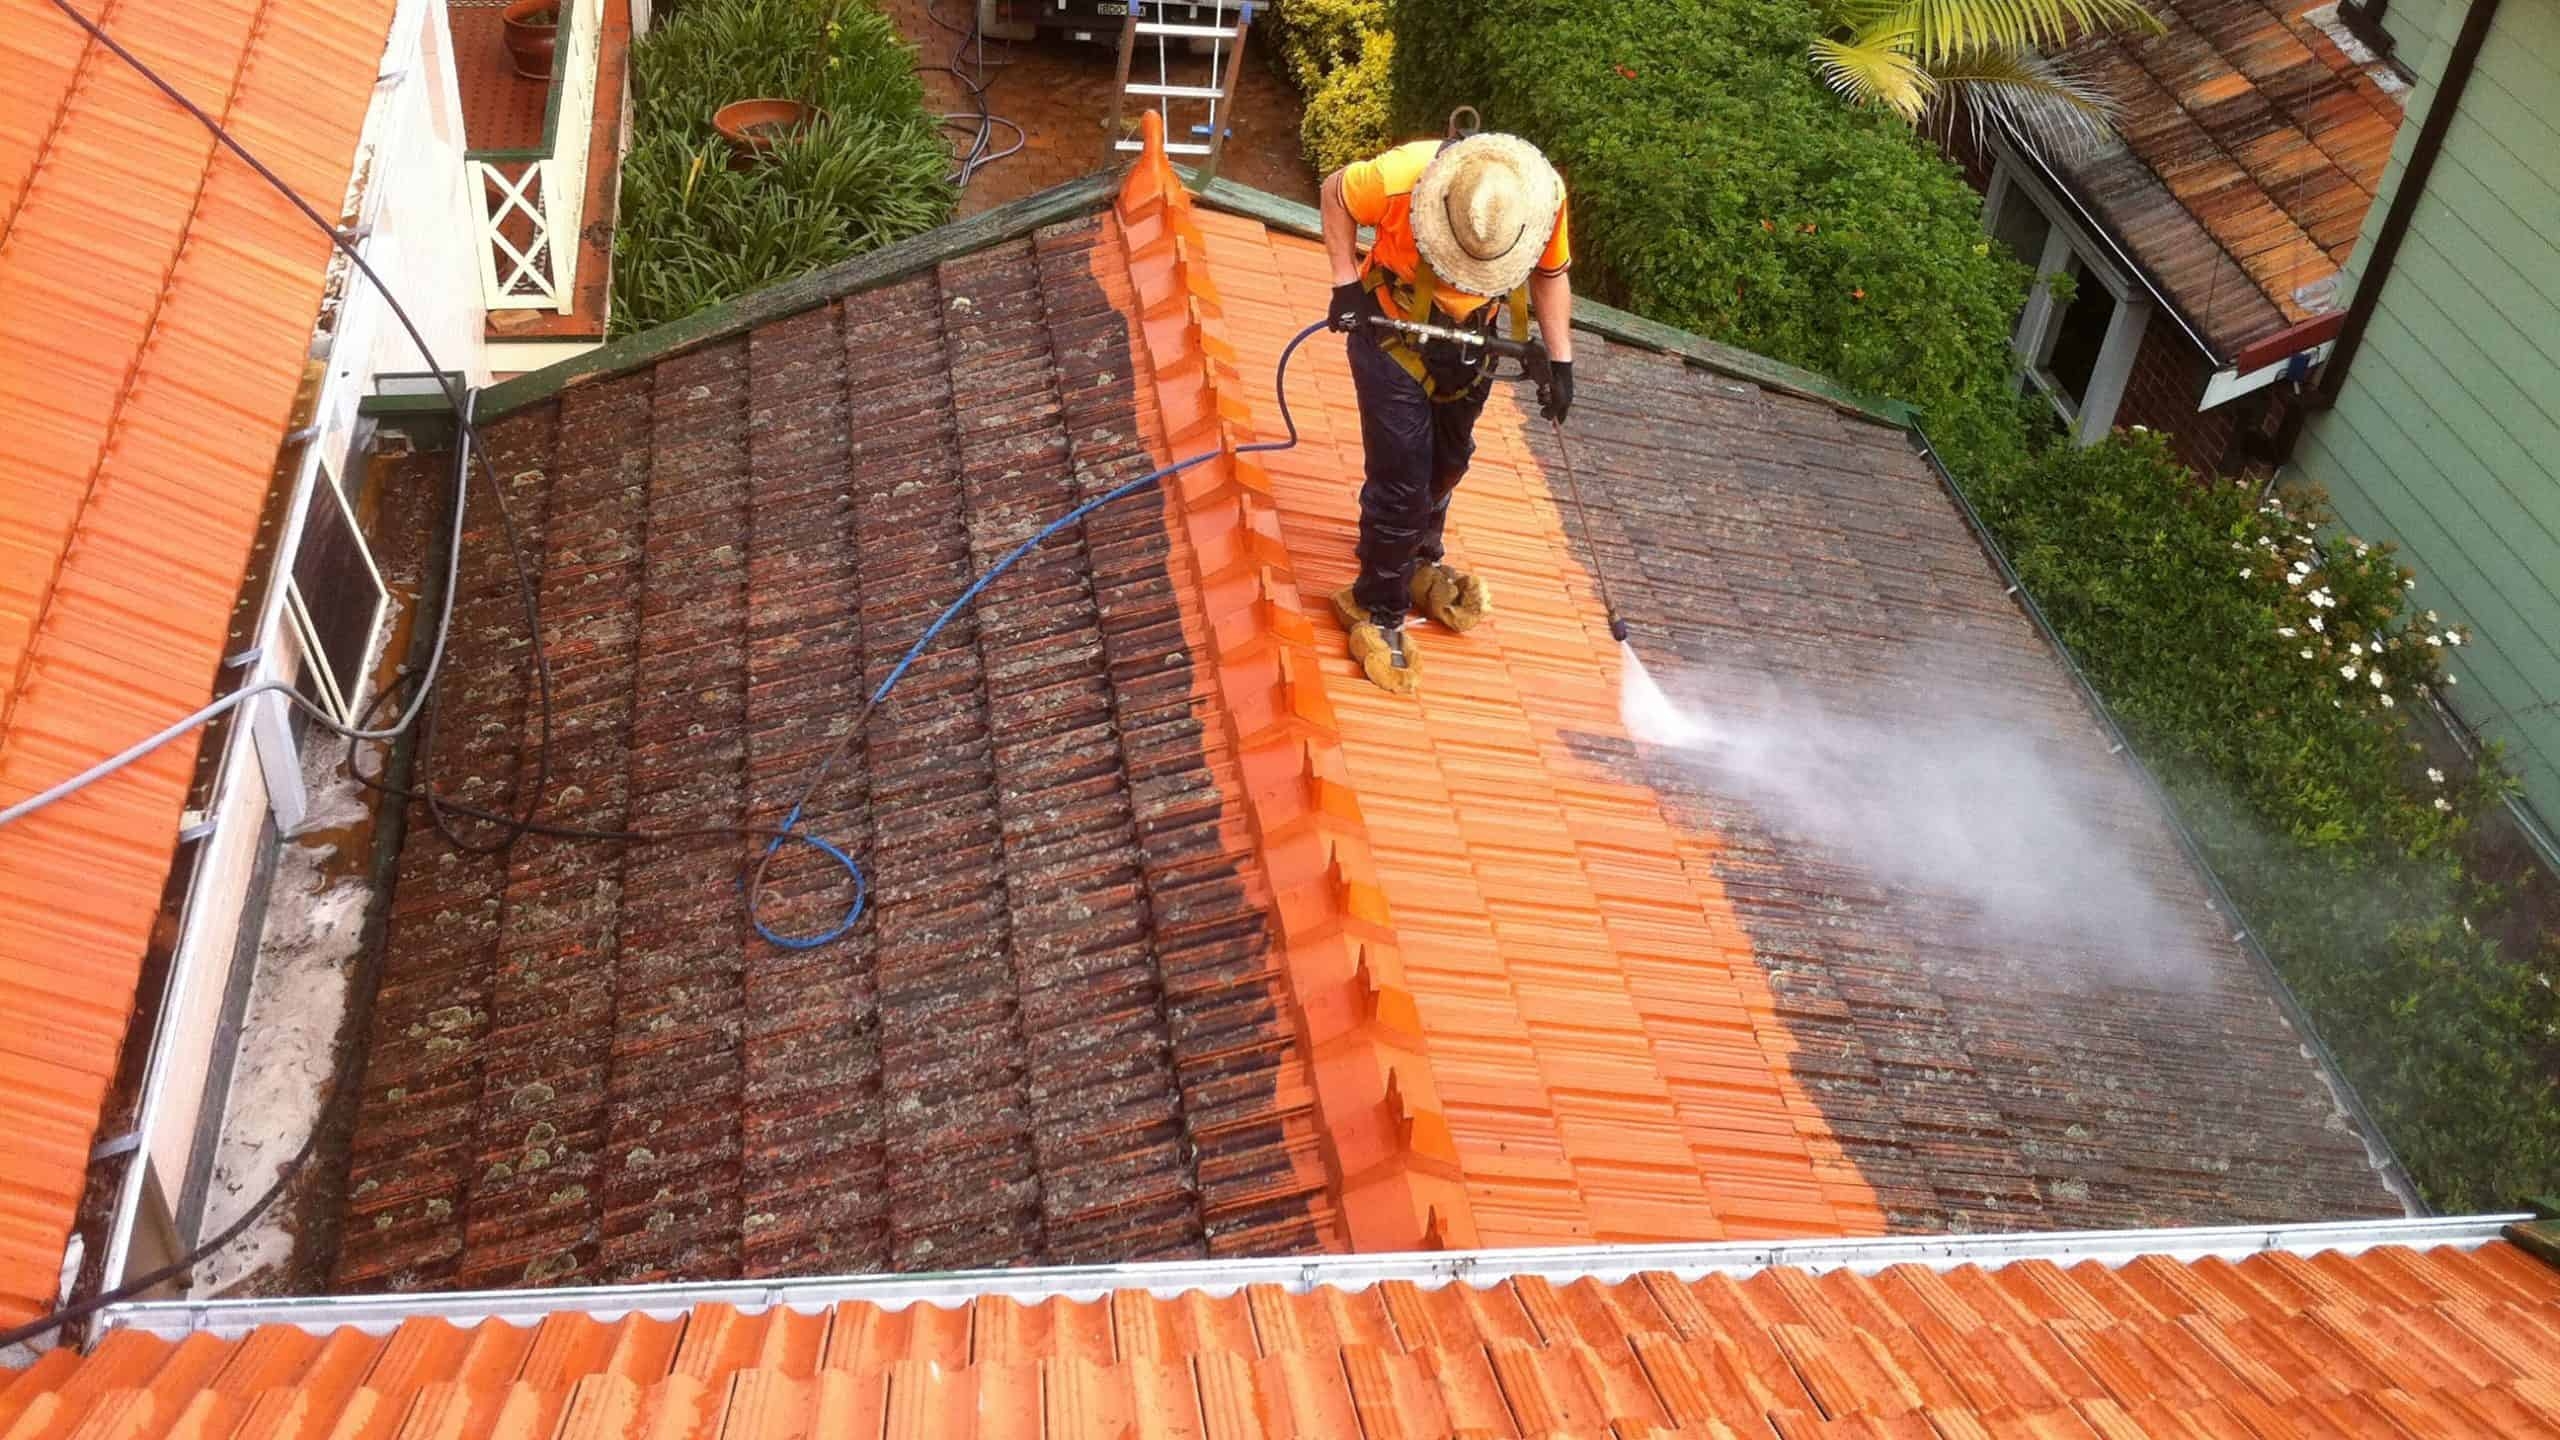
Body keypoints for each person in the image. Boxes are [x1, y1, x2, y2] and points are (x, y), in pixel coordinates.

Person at [1319, 126, 1574, 695]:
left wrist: (1561, 362)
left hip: (1473, 343)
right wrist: (1344, 285)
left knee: (1449, 461)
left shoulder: (1542, 197)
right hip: (1392, 333)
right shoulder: (1401, 175)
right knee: (1401, 481)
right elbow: (1335, 192)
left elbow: (1550, 273)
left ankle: (1416, 559)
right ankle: (1377, 604)